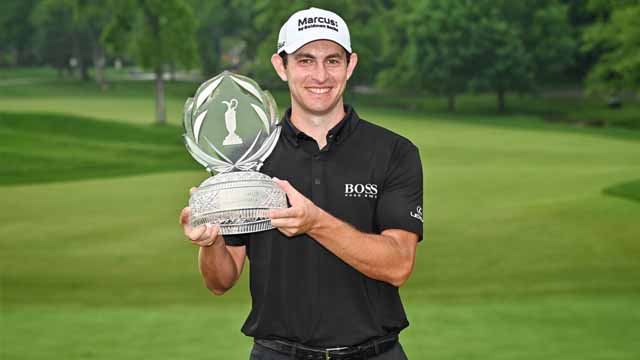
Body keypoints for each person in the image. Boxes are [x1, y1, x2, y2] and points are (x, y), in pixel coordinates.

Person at [180, 7, 423, 360]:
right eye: (305, 60)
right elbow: (220, 281)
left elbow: (398, 265)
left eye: (332, 60)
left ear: (350, 65)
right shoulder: (249, 157)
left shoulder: (393, 152)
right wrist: (210, 243)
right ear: (282, 65)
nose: (320, 75)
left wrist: (314, 222)